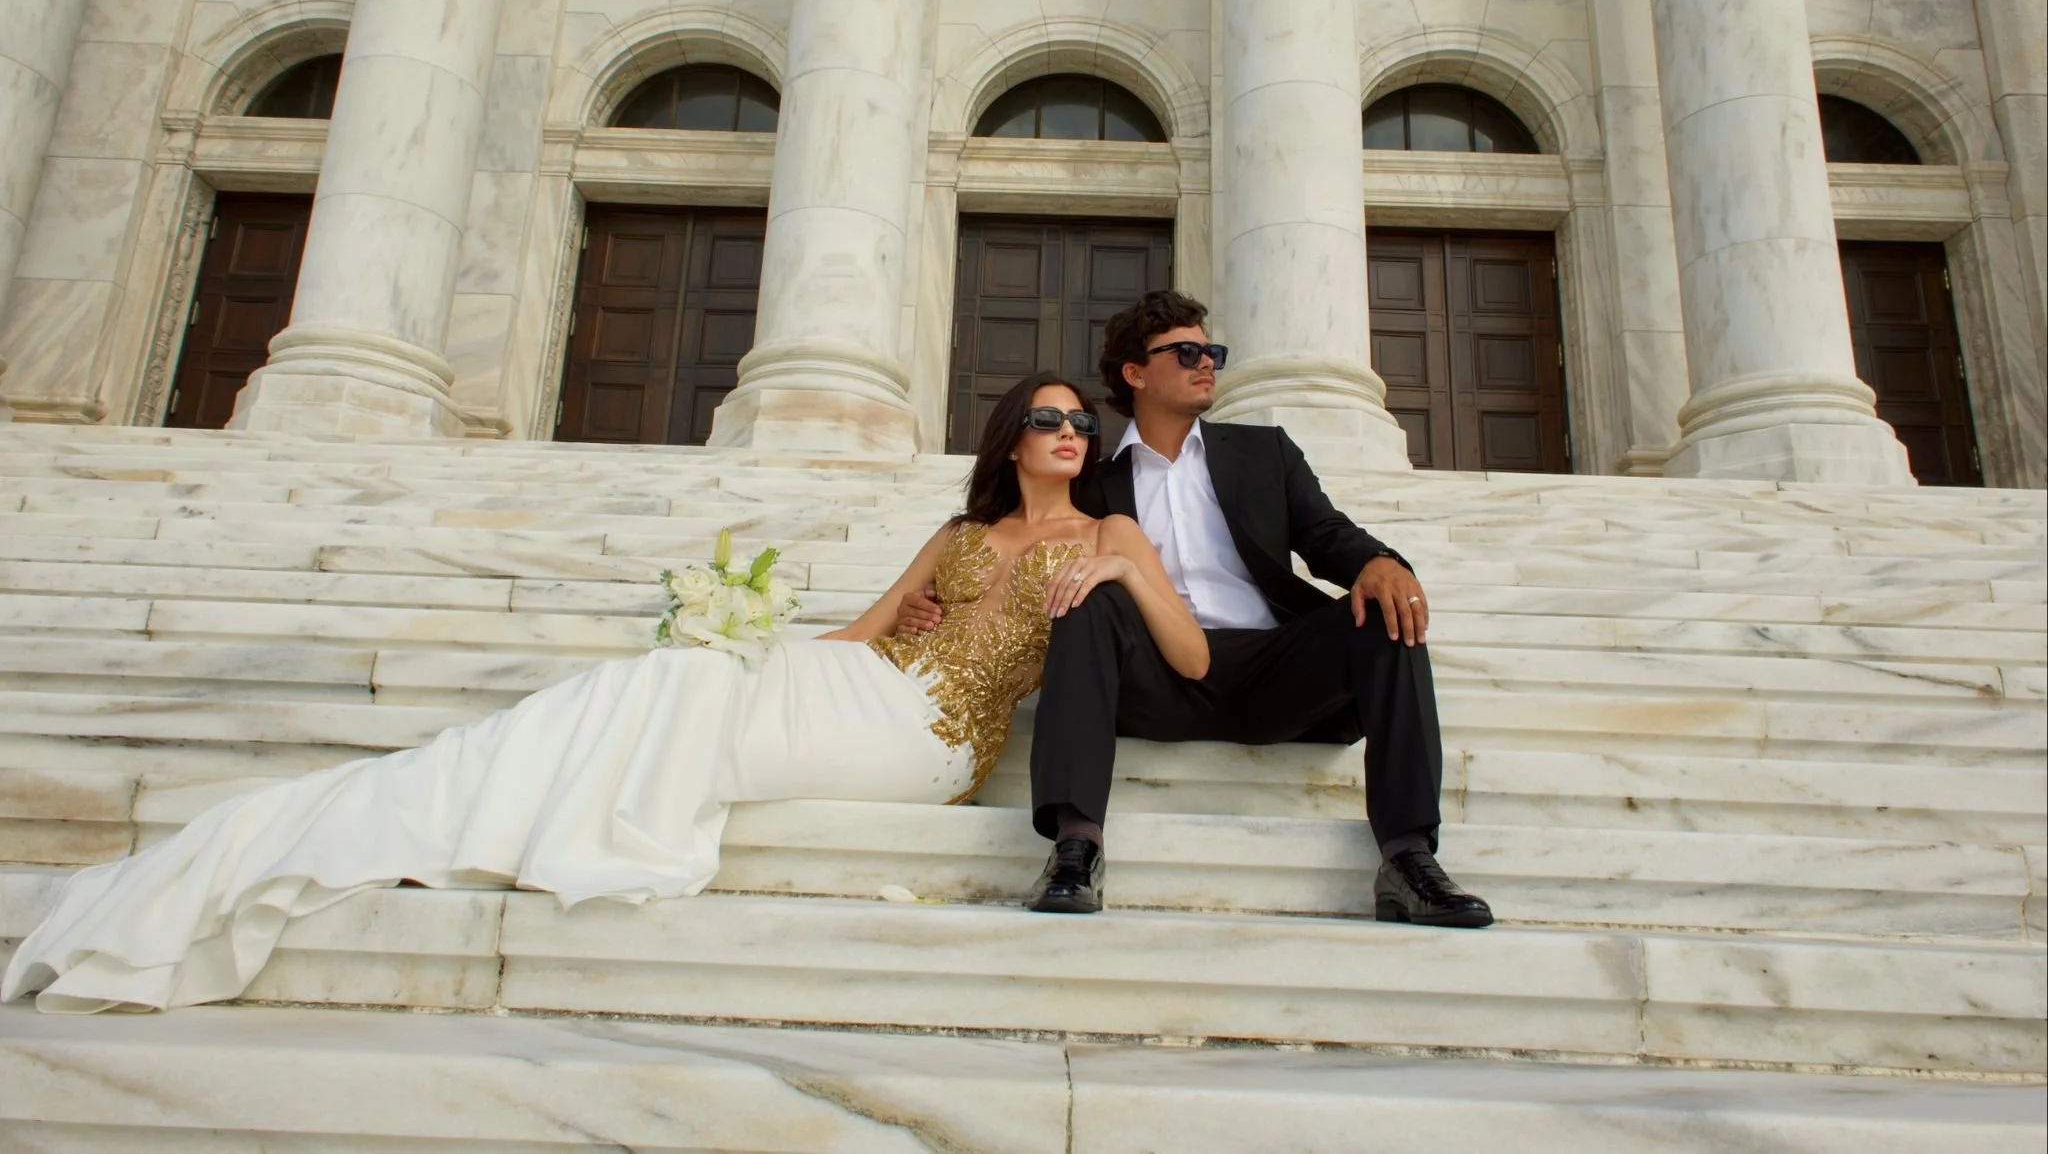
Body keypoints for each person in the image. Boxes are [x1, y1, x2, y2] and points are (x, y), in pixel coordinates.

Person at [1, 374, 1205, 1015]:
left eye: (1077, 420)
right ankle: (450, 798)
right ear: (1007, 439)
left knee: (684, 693)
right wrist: (746, 632)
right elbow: (857, 630)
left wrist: (1121, 573)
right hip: (858, 678)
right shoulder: (958, 530)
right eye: (1045, 418)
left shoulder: (1110, 532)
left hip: (929, 735)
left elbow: (1191, 657)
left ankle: (530, 803)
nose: (1067, 429)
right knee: (681, 673)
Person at [900, 291, 1492, 928]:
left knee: (1384, 616)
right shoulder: (1095, 484)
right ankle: (1076, 847)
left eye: (1211, 352)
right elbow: (1024, 547)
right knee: (1090, 594)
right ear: (1135, 373)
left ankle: (1409, 859)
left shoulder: (1264, 453)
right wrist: (935, 600)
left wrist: (1378, 561)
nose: (1206, 362)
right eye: (1185, 352)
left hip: (1273, 671)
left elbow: (1325, 535)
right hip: (1153, 676)